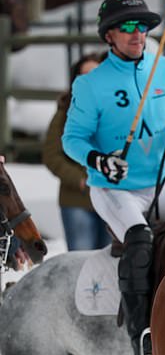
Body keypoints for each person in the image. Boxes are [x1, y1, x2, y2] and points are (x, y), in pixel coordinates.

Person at [62, 0, 165, 355]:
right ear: (109, 36)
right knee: (139, 236)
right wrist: (100, 161)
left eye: (142, 26)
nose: (138, 33)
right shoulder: (91, 85)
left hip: (157, 183)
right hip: (113, 188)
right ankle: (143, 331)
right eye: (127, 27)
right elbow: (72, 139)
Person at [42, 52, 112, 251]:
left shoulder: (117, 112)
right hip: (77, 199)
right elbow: (51, 155)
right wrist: (80, 179)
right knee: (80, 259)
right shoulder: (65, 112)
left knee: (110, 262)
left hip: (112, 198)